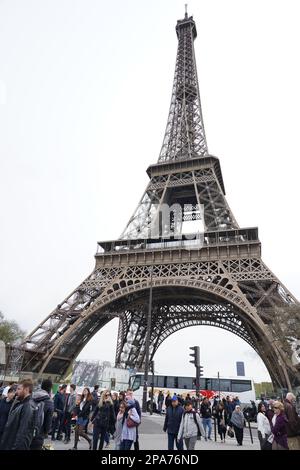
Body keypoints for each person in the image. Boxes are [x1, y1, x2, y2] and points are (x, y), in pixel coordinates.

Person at [0, 379, 34, 450]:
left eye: (19, 389)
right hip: (8, 443)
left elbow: (22, 432)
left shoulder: (27, 406)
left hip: (13, 445)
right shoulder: (20, 403)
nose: (16, 391)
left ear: (26, 390)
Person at [30, 378, 54, 450]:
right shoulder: (49, 401)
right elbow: (48, 421)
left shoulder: (32, 396)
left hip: (27, 431)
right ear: (50, 388)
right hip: (39, 433)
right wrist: (46, 432)